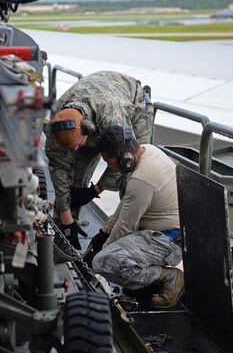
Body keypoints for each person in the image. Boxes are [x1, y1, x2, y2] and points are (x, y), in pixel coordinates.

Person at [44, 70, 154, 251]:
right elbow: (59, 167)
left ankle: (132, 245)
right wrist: (66, 218)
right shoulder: (55, 124)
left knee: (134, 173)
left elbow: (122, 159)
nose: (74, 151)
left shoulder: (112, 116)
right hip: (96, 113)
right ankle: (64, 241)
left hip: (131, 104)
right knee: (74, 175)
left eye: (77, 145)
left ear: (88, 129)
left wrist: (95, 190)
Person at [89, 126, 184, 308]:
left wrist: (100, 254)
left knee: (103, 263)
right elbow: (127, 202)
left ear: (124, 159)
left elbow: (125, 227)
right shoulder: (148, 151)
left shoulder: (142, 180)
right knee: (108, 254)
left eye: (109, 162)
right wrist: (105, 229)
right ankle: (148, 279)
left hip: (171, 240)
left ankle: (170, 277)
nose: (110, 167)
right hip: (165, 230)